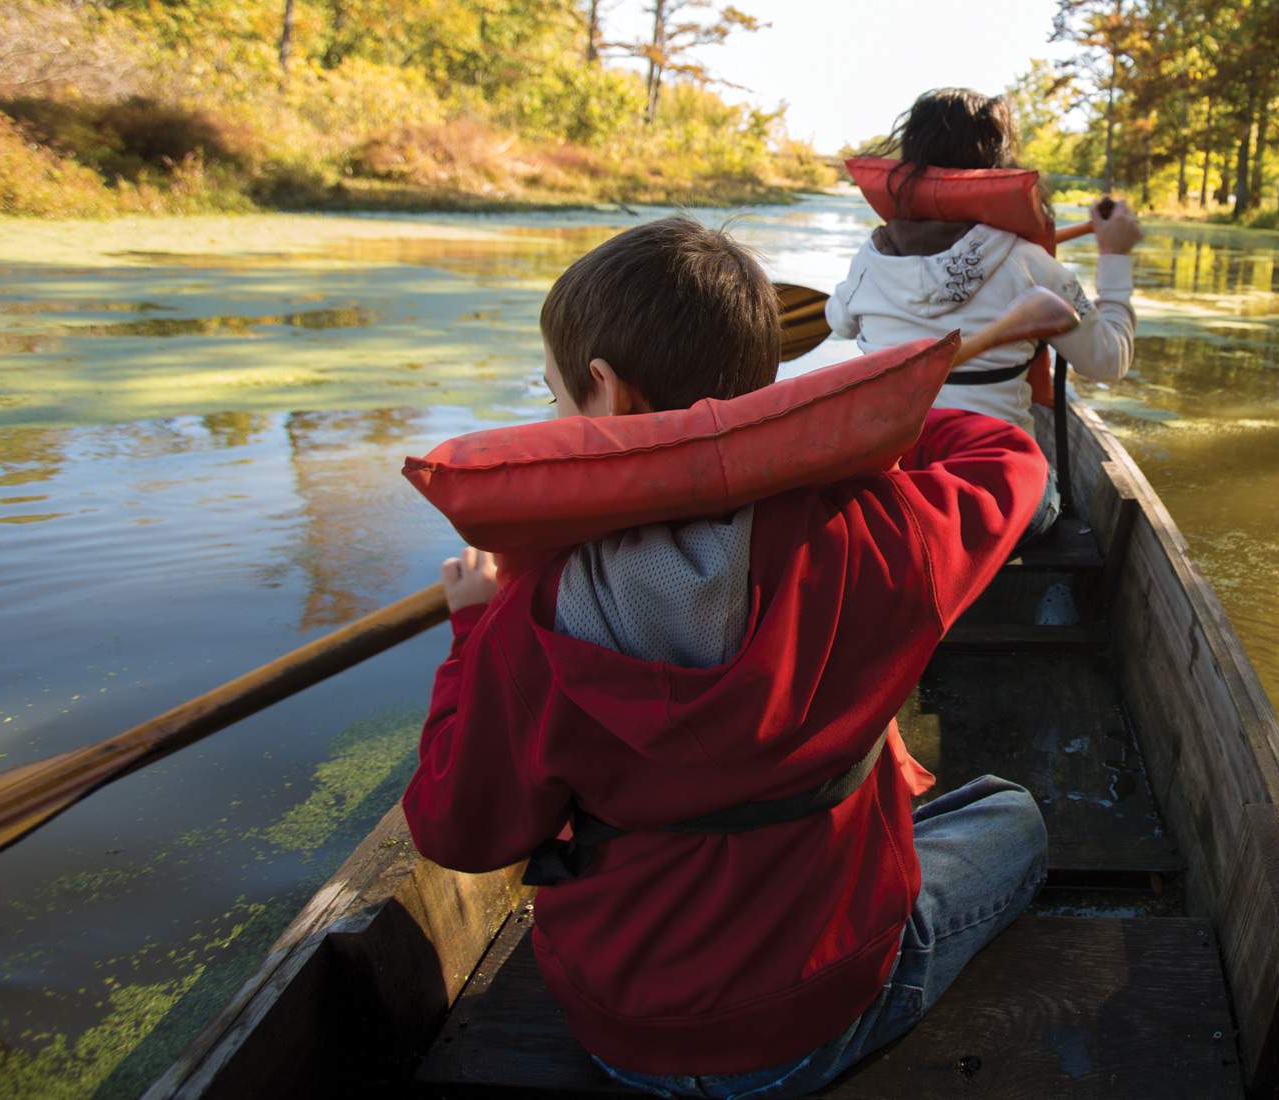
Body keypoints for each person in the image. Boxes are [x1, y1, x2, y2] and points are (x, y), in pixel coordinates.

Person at [402, 216, 1050, 1100]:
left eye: (552, 393)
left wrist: (472, 626)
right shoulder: (879, 531)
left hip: (622, 1029)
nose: (550, 414)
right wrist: (821, 435)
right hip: (807, 1027)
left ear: (602, 392)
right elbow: (1006, 454)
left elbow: (458, 833)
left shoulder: (526, 615)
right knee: (1012, 814)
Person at [827, 87, 1141, 540]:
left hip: (888, 479)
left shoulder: (868, 260)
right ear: (997, 163)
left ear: (912, 159)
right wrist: (1114, 256)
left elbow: (837, 321)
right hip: (992, 492)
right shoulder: (1032, 267)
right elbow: (1110, 361)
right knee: (1048, 489)